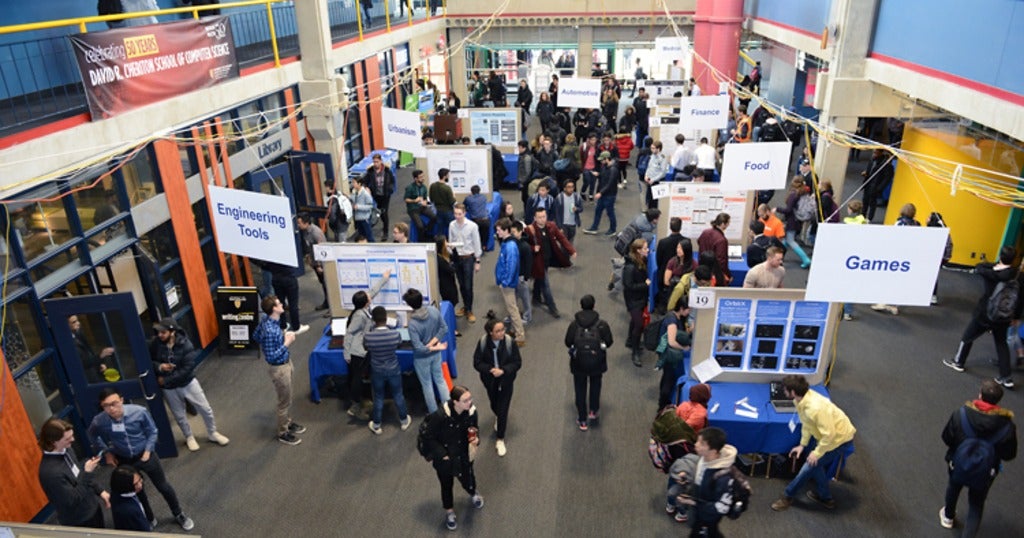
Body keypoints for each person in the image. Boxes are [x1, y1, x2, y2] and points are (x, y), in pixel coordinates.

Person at [88, 388, 195, 530]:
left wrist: (148, 450)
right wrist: (107, 453)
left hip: (145, 455)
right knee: (138, 491)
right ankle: (149, 518)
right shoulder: (99, 420)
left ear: (121, 400)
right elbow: (92, 435)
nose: (112, 409)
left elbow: (152, 431)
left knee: (163, 486)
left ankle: (178, 513)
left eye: (114, 403)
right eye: (106, 406)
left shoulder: (138, 412)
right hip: (124, 460)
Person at [939, 379, 1017, 536]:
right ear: (998, 401)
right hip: (986, 471)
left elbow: (947, 437)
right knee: (976, 503)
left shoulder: (961, 414)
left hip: (958, 462)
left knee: (953, 487)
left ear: (980, 395)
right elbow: (1009, 454)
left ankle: (948, 516)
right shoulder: (1007, 426)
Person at [771, 375, 856, 512]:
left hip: (839, 440)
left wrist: (817, 453)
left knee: (809, 466)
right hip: (826, 437)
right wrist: (802, 445)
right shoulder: (801, 401)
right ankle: (826, 498)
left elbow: (830, 434)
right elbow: (807, 423)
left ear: (793, 392)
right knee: (815, 465)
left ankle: (788, 495)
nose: (784, 392)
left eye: (786, 390)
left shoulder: (814, 408)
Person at [943, 246, 1020, 388]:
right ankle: (1006, 377)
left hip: (985, 313)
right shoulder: (1016, 274)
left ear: (1000, 256)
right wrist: (1015, 316)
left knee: (967, 337)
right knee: (1001, 344)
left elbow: (979, 267)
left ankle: (958, 362)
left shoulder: (991, 274)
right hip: (1003, 316)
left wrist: (994, 265)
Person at [150, 319, 229, 452]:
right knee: (179, 415)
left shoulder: (186, 345)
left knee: (205, 409)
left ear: (172, 332)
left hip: (187, 383)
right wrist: (160, 366)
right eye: (158, 332)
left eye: (163, 332)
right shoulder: (155, 344)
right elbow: (150, 361)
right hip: (170, 388)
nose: (160, 335)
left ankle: (212, 433)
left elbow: (187, 369)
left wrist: (166, 380)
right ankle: (189, 437)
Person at [420, 385, 484, 531]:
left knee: (468, 477)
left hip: (464, 455)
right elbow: (429, 437)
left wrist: (476, 439)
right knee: (446, 485)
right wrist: (443, 454)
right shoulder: (440, 416)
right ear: (455, 402)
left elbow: (475, 429)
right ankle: (449, 511)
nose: (470, 402)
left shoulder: (472, 412)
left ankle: (473, 492)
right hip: (446, 460)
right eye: (465, 400)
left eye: (470, 398)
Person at [253, 295, 306, 445]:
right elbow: (271, 356)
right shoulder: (270, 330)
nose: (282, 304)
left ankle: (287, 422)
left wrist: (280, 338)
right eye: (279, 303)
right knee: (284, 402)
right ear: (274, 309)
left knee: (287, 397)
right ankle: (283, 433)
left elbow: (256, 336)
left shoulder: (266, 320)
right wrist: (286, 342)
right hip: (279, 368)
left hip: (285, 363)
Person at [37, 418, 109, 529]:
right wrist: (87, 472)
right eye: (67, 439)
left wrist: (100, 491)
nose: (73, 440)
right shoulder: (50, 473)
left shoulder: (67, 450)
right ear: (53, 442)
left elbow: (79, 475)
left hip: (92, 507)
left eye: (72, 436)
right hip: (80, 520)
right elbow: (72, 500)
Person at [342, 271, 392, 420]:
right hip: (358, 352)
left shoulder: (361, 308)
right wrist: (346, 353)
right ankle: (355, 406)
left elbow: (373, 291)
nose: (370, 296)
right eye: (368, 297)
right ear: (366, 302)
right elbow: (349, 334)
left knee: (359, 376)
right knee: (356, 378)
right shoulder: (359, 316)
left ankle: (360, 400)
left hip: (361, 349)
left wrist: (384, 278)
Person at [676, 427, 739, 538]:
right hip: (700, 507)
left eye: (702, 443)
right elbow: (701, 478)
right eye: (697, 441)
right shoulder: (705, 459)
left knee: (709, 532)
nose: (696, 445)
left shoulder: (723, 478)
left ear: (713, 451)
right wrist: (687, 479)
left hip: (708, 516)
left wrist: (694, 503)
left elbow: (721, 507)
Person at [564, 294, 614, 431]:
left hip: (578, 363)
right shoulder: (601, 325)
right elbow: (609, 342)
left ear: (581, 306)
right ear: (594, 306)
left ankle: (582, 419)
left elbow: (568, 342)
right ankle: (593, 411)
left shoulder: (574, 324)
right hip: (597, 363)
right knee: (595, 386)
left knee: (580, 389)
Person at [473, 319, 522, 457]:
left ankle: (500, 438)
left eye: (503, 330)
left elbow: (517, 363)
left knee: (503, 409)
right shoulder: (483, 343)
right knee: (494, 403)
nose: (502, 333)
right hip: (490, 380)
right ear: (490, 333)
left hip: (506, 380)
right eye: (498, 331)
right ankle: (498, 417)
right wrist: (490, 369)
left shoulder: (509, 342)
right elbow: (477, 363)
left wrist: (504, 370)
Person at [364, 306, 412, 435]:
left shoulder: (368, 336)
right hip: (393, 369)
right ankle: (403, 421)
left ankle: (377, 425)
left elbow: (365, 347)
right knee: (398, 394)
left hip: (377, 370)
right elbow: (399, 343)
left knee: (378, 397)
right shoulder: (394, 334)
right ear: (386, 319)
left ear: (373, 320)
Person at [404, 288, 451, 413]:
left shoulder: (413, 323)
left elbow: (419, 348)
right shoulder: (433, 310)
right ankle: (449, 409)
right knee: (440, 380)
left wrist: (429, 345)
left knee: (427, 385)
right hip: (436, 354)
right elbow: (444, 328)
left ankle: (434, 413)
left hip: (422, 359)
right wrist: (435, 344)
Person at [525, 208, 576, 318]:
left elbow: (561, 238)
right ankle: (552, 307)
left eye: (544, 216)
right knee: (546, 285)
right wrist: (533, 248)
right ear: (534, 218)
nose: (542, 219)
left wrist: (571, 250)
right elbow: (523, 245)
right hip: (537, 261)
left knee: (539, 279)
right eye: (539, 217)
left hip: (548, 259)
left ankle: (536, 298)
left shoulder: (551, 226)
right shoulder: (529, 230)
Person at [448, 203, 482, 323]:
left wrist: (477, 261)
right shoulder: (452, 225)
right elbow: (451, 241)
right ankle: (465, 306)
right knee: (461, 285)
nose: (457, 216)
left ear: (464, 213)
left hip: (468, 258)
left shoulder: (472, 226)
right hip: (457, 258)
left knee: (468, 286)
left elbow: (477, 243)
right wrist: (449, 250)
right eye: (455, 214)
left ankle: (469, 310)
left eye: (459, 214)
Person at [494, 219, 526, 346]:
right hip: (505, 281)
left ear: (506, 230)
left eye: (499, 230)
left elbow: (511, 266)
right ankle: (514, 330)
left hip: (507, 283)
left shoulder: (510, 246)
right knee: (511, 307)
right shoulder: (507, 243)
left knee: (512, 309)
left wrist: (505, 282)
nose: (497, 232)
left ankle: (520, 336)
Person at [657, 297, 693, 409]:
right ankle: (663, 405)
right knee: (668, 379)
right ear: (682, 308)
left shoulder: (677, 317)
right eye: (688, 309)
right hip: (669, 355)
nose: (689, 312)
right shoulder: (672, 321)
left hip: (668, 353)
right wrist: (685, 348)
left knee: (667, 378)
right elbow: (672, 342)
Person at [623, 238, 651, 367]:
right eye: (645, 248)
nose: (648, 250)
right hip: (633, 300)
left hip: (640, 298)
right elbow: (629, 286)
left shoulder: (641, 261)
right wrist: (644, 285)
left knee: (635, 321)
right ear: (638, 250)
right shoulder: (630, 267)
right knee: (639, 324)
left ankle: (630, 341)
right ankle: (635, 352)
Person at [774, 178, 813, 269]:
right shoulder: (803, 193)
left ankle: (806, 259)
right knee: (786, 241)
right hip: (798, 220)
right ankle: (780, 257)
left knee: (790, 241)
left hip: (792, 221)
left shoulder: (793, 195)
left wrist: (777, 209)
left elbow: (788, 210)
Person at [262, 260, 309, 335]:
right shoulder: (286, 251)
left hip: (276, 278)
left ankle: (283, 326)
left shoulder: (270, 254)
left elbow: (265, 266)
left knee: (280, 304)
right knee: (293, 303)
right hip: (288, 277)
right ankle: (296, 327)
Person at [68, 314, 115, 383]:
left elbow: (88, 351)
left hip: (94, 370)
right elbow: (82, 363)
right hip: (86, 378)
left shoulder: (78, 333)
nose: (78, 323)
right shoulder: (67, 343)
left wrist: (98, 364)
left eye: (77, 320)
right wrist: (100, 356)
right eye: (74, 322)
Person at [296, 212, 329, 310]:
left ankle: (331, 306)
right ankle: (327, 303)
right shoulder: (305, 231)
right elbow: (309, 246)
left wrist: (319, 265)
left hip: (321, 263)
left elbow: (321, 249)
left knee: (327, 284)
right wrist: (309, 257)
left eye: (299, 223)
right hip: (314, 261)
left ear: (306, 223)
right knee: (323, 283)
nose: (298, 225)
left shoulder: (316, 233)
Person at [583, 151, 620, 235]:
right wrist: (598, 175)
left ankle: (613, 229)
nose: (601, 162)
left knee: (610, 213)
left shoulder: (613, 169)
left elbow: (610, 183)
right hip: (603, 194)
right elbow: (604, 177)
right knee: (598, 211)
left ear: (607, 159)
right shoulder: (605, 167)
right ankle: (594, 227)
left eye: (602, 160)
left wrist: (601, 193)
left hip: (609, 195)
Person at [109, 465, 151, 531]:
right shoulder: (130, 511)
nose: (140, 485)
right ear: (126, 486)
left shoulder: (116, 493)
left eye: (140, 479)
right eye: (136, 484)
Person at [696, 213, 733, 285]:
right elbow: (721, 261)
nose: (729, 225)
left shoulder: (705, 232)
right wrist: (728, 275)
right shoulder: (721, 240)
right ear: (723, 224)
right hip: (713, 274)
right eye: (728, 222)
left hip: (701, 269)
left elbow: (699, 241)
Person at [511, 220, 534, 326]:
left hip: (521, 276)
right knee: (513, 297)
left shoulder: (525, 246)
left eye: (514, 232)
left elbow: (529, 263)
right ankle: (514, 315)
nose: (512, 234)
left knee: (525, 298)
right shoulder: (512, 243)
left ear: (520, 232)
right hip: (514, 275)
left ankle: (527, 317)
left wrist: (526, 278)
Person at [365, 153, 395, 234]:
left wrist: (390, 189)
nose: (375, 164)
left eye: (377, 162)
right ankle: (384, 224)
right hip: (376, 195)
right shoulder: (370, 171)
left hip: (385, 195)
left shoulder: (387, 170)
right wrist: (367, 188)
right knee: (380, 212)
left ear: (381, 161)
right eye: (374, 162)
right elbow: (365, 182)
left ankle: (386, 231)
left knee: (384, 212)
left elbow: (392, 181)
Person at [862, 149, 894, 222]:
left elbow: (887, 178)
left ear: (881, 153)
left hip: (875, 186)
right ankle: (862, 216)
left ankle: (869, 218)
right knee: (865, 201)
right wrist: (866, 174)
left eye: (876, 153)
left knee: (872, 202)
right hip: (868, 184)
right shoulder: (872, 160)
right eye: (873, 152)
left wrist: (879, 188)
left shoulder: (886, 164)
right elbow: (869, 170)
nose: (874, 154)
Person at [404, 170, 436, 240]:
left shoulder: (424, 187)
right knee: (420, 226)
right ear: (416, 179)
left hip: (422, 207)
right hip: (413, 209)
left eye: (423, 176)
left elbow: (425, 198)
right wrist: (414, 200)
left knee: (434, 217)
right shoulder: (410, 187)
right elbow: (406, 199)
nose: (423, 178)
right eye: (421, 177)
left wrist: (425, 202)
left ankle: (427, 231)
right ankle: (421, 240)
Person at [435, 235, 460, 317]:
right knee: (450, 301)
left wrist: (454, 250)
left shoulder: (445, 254)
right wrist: (454, 266)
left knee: (453, 300)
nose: (447, 243)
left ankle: (451, 315)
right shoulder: (439, 259)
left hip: (450, 281)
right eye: (446, 242)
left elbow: (456, 259)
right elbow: (452, 269)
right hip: (445, 284)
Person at [551, 179, 583, 244]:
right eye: (569, 187)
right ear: (564, 188)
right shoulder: (559, 198)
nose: (571, 189)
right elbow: (556, 213)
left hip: (573, 224)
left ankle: (569, 252)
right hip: (564, 224)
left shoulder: (577, 197)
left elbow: (581, 209)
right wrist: (559, 226)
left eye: (572, 187)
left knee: (571, 241)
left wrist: (577, 209)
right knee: (564, 242)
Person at [643, 141, 669, 209]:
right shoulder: (652, 156)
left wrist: (654, 180)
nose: (652, 150)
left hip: (657, 182)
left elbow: (663, 173)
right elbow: (649, 167)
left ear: (658, 149)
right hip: (650, 180)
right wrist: (646, 175)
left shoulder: (663, 158)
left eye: (653, 148)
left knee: (655, 201)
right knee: (649, 199)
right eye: (651, 148)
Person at [430, 168, 457, 235]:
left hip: (438, 211)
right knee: (453, 229)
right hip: (448, 211)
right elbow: (452, 202)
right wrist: (454, 197)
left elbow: (431, 199)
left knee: (440, 230)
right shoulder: (447, 188)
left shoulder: (432, 186)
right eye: (448, 175)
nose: (449, 176)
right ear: (445, 176)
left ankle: (440, 244)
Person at [350, 176, 376, 242]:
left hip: (365, 219)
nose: (352, 184)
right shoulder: (354, 192)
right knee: (361, 237)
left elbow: (370, 206)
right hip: (358, 218)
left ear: (359, 184)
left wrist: (358, 207)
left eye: (354, 182)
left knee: (369, 236)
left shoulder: (365, 193)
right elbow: (353, 200)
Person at [579, 133, 600, 201]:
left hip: (594, 167)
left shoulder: (597, 147)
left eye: (594, 140)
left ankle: (591, 195)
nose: (593, 141)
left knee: (593, 182)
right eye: (592, 140)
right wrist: (581, 167)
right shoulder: (584, 146)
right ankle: (583, 192)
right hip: (586, 168)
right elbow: (581, 156)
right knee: (587, 181)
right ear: (589, 140)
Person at [517, 140, 538, 206]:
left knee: (525, 198)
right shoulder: (525, 156)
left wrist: (522, 182)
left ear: (524, 148)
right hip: (526, 181)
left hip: (526, 182)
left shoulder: (526, 158)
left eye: (520, 147)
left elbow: (527, 172)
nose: (519, 149)